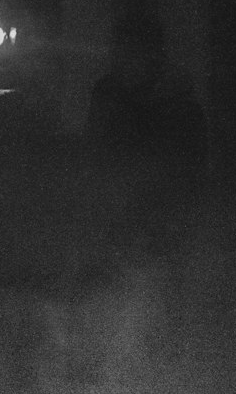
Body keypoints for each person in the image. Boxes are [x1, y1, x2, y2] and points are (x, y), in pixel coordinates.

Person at [85, 15, 208, 262]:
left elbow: (190, 170)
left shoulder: (179, 104)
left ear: (153, 55)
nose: (124, 58)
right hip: (118, 212)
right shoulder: (107, 93)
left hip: (162, 217)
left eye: (133, 51)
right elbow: (95, 150)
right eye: (121, 50)